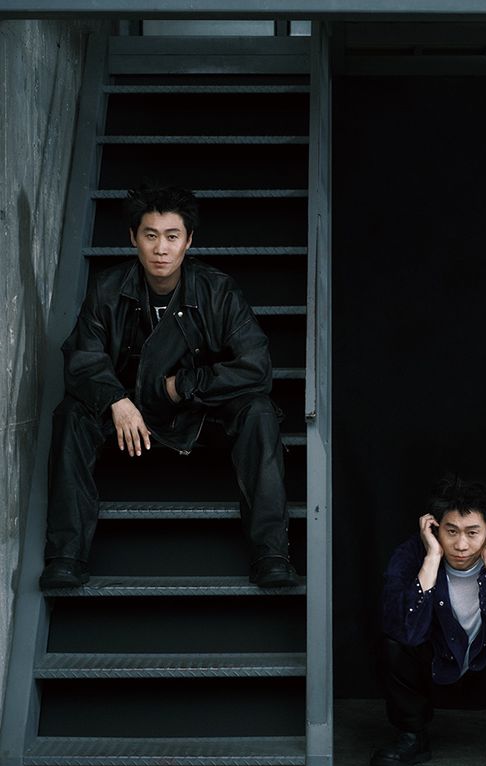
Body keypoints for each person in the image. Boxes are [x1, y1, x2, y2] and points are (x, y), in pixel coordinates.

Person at [39, 185, 297, 590]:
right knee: (71, 414)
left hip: (199, 412)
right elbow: (82, 358)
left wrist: (184, 386)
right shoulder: (107, 289)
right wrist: (116, 399)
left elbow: (256, 366)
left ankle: (272, 554)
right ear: (133, 238)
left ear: (188, 241)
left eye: (172, 236)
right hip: (129, 416)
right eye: (151, 235)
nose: (161, 248)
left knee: (259, 411)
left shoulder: (217, 290)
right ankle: (66, 557)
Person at [370, 475, 486, 766]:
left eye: (473, 532)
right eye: (451, 531)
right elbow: (403, 631)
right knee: (393, 644)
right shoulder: (412, 553)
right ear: (434, 528)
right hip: (434, 670)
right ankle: (411, 736)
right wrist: (431, 559)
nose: (461, 545)